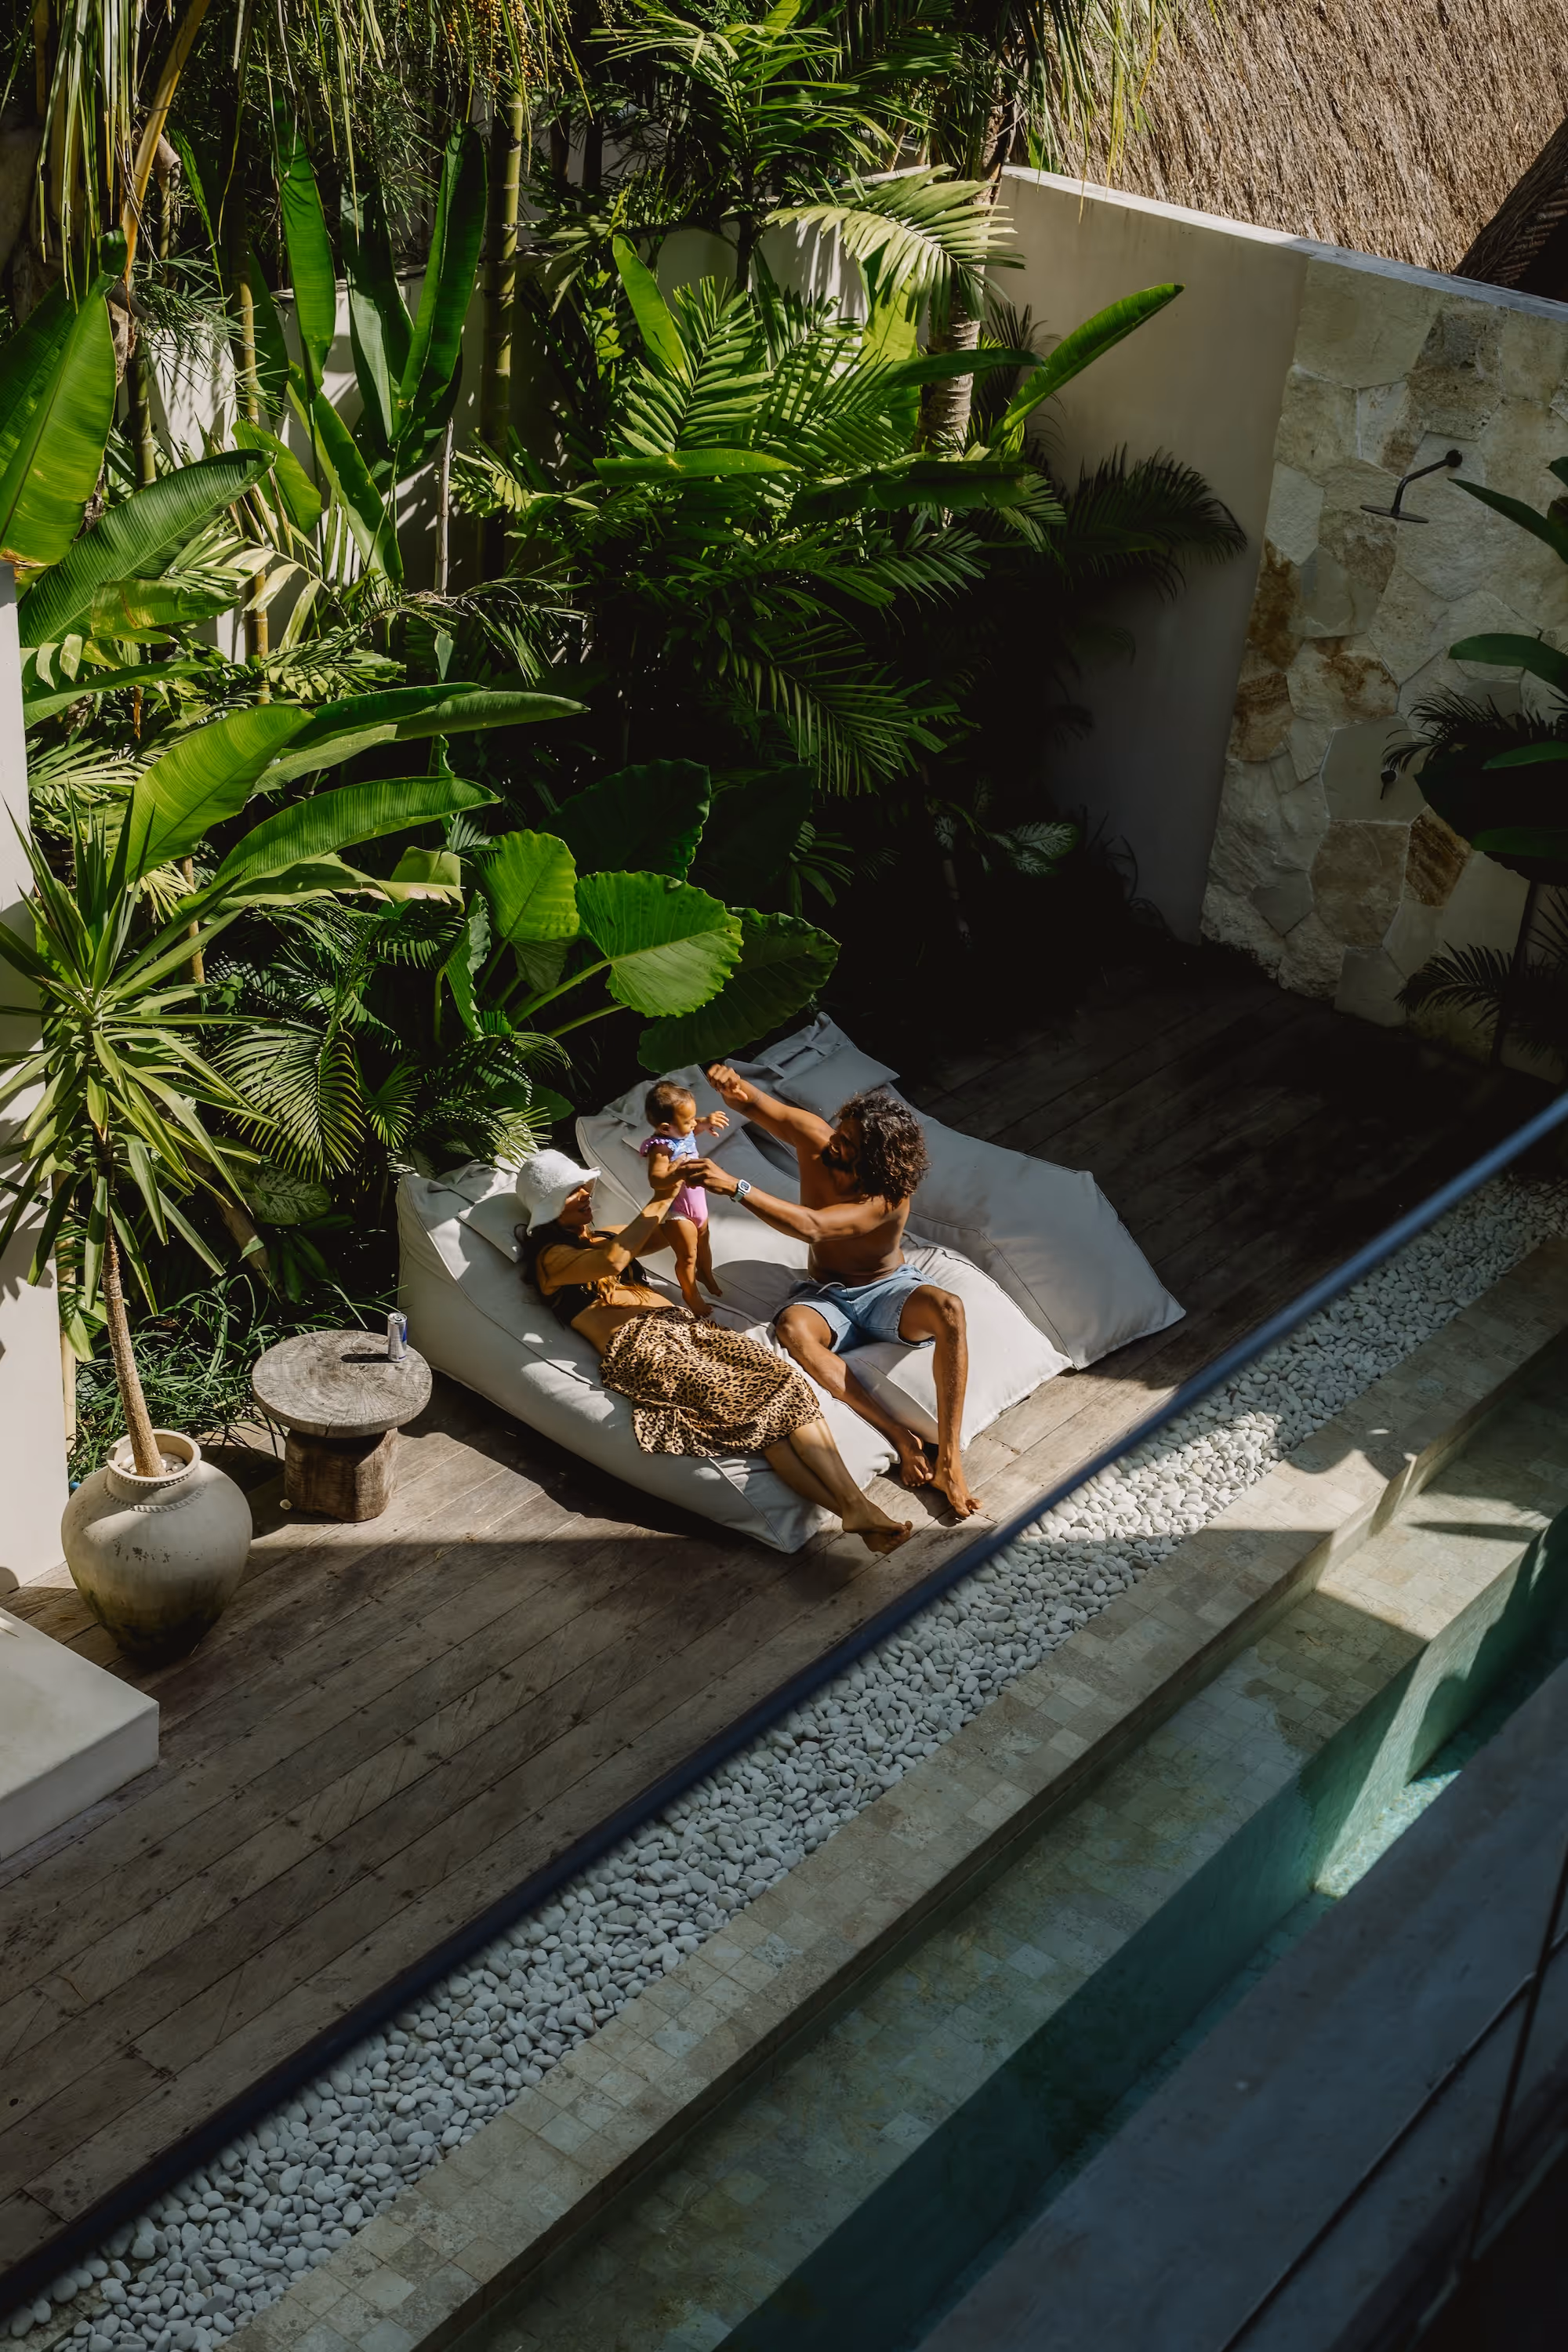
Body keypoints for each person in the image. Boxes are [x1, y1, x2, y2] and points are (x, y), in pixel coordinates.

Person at [514, 1149, 913, 1556]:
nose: (584, 1194)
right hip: (641, 1347)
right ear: (547, 1208)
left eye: (582, 1186)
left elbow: (669, 1232)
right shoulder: (552, 1259)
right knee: (757, 1412)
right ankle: (856, 1507)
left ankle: (856, 1510)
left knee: (783, 1387)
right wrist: (660, 1197)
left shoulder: (604, 1235)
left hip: (688, 1329)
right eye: (570, 1193)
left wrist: (685, 1194)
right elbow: (612, 1261)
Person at [686, 1072, 983, 1519]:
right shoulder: (816, 1139)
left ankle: (950, 1462)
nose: (834, 1144)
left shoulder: (888, 1197)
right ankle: (898, 1433)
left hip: (888, 1289)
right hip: (826, 1294)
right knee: (792, 1327)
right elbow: (756, 1106)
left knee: (950, 1309)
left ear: (876, 1161)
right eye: (840, 1132)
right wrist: (734, 1089)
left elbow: (813, 1226)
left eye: (848, 1144)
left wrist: (736, 1186)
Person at [637, 1079, 728, 1318]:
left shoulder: (682, 1133)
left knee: (704, 1244)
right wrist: (675, 1172)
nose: (693, 1124)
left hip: (698, 1205)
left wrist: (705, 1122)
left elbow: (693, 1127)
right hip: (679, 1211)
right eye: (687, 1121)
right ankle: (691, 1294)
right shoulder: (662, 1148)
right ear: (666, 1128)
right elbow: (656, 1179)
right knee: (688, 1256)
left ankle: (705, 1273)